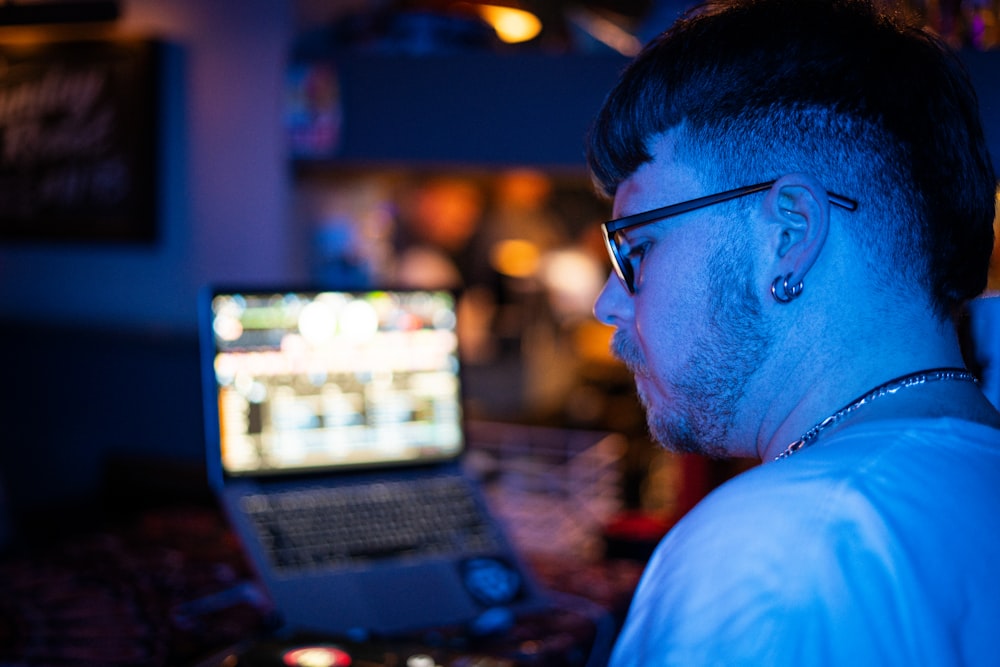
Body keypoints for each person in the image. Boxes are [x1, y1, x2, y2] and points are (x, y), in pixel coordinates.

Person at [587, 0, 1000, 664]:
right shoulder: (974, 479)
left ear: (788, 235)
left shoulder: (778, 547)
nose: (608, 304)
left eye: (637, 249)